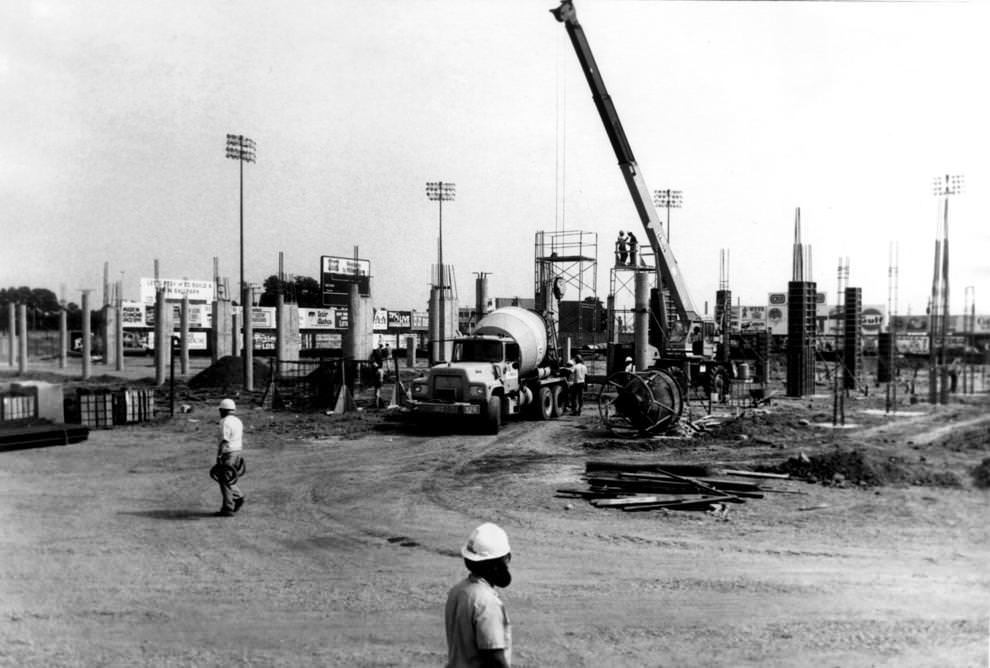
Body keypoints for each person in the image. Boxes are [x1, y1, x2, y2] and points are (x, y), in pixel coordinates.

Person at [445, 523, 513, 668]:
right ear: (496, 564)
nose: (507, 564)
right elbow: (495, 658)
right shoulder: (486, 602)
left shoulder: (458, 591)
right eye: (506, 559)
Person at [213, 398, 245, 517]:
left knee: (224, 480)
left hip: (229, 453)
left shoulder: (225, 422)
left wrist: (219, 455)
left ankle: (229, 506)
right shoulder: (238, 421)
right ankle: (236, 497)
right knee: (228, 478)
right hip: (238, 452)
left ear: (222, 410)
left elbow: (225, 441)